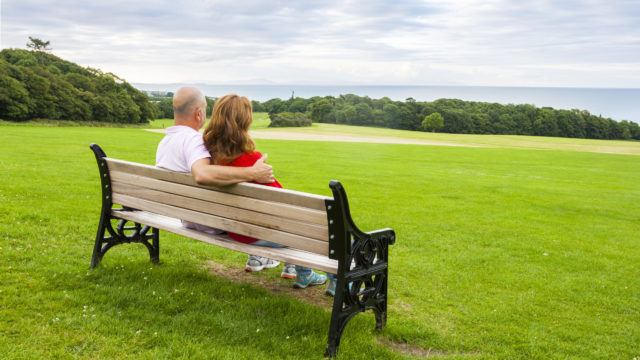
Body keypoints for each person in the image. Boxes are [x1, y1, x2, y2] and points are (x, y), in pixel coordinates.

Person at [203, 94, 336, 294]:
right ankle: (336, 281)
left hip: (232, 229)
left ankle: (305, 273)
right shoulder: (251, 159)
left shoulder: (206, 157)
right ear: (245, 121)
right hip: (255, 234)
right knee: (322, 233)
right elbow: (281, 201)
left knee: (298, 229)